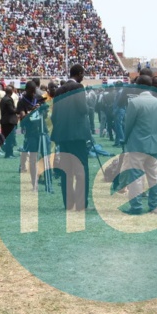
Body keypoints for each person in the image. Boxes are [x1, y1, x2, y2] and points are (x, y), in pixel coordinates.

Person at [51, 64, 93, 211]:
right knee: (81, 170)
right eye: (83, 74)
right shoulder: (79, 88)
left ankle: (68, 203)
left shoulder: (59, 90)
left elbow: (54, 115)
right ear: (80, 73)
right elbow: (82, 109)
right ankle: (81, 204)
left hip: (62, 135)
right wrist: (89, 108)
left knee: (66, 170)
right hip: (77, 135)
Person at [120, 74, 157, 214]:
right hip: (154, 143)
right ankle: (155, 206)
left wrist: (125, 138)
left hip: (137, 144)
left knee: (136, 176)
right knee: (154, 176)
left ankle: (136, 206)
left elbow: (128, 124)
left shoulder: (135, 102)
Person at [0, 86, 19, 158]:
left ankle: (9, 153)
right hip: (9, 122)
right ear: (11, 92)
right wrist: (18, 109)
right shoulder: (8, 100)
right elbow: (12, 110)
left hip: (5, 121)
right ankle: (9, 154)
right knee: (10, 139)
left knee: (7, 138)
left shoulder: (3, 99)